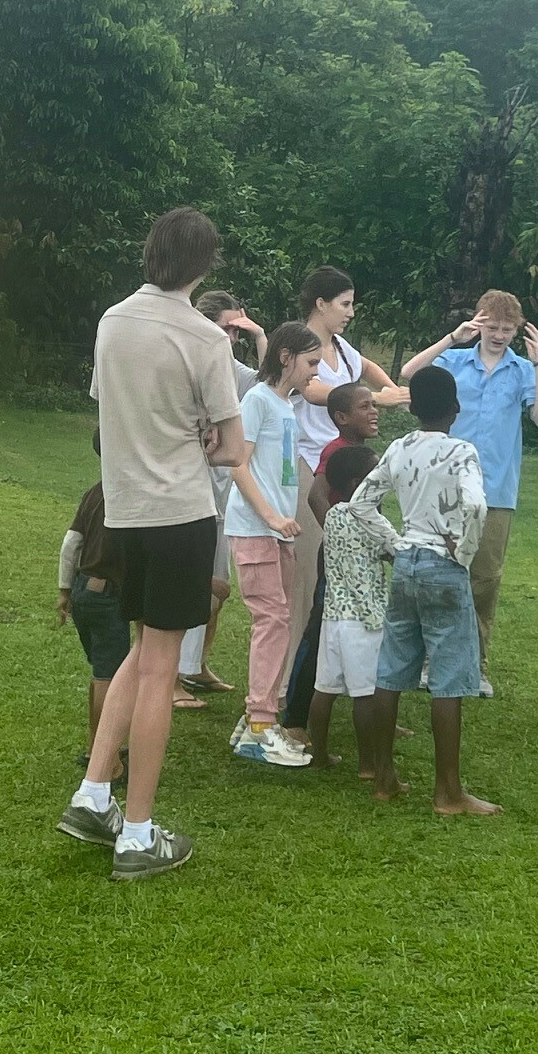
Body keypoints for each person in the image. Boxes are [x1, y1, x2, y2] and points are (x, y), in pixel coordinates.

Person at [56, 209, 247, 882]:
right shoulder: (204, 338)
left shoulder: (113, 321)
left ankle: (93, 794)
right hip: (180, 516)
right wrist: (200, 435)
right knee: (162, 668)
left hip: (126, 512)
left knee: (143, 651)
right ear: (204, 266)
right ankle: (137, 834)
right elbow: (231, 447)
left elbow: (108, 415)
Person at [347, 365, 498, 816]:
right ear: (456, 407)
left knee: (392, 672)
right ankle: (448, 791)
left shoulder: (399, 447)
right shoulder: (461, 451)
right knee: (448, 679)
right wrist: (463, 553)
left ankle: (384, 776)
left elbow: (360, 503)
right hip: (443, 565)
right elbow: (474, 503)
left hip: (407, 562)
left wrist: (396, 542)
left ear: (412, 407)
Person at [399, 291, 538, 695]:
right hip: (444, 486)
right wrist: (453, 337)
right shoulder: (454, 360)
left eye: (507, 329)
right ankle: (431, 660)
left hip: (496, 490)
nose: (499, 335)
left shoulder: (521, 370)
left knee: (484, 580)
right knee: (437, 572)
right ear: (479, 323)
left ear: (517, 331)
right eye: (492, 326)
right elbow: (409, 374)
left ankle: (476, 665)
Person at [287, 267, 409, 725]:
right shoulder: (302, 345)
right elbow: (314, 390)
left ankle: (352, 692)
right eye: (345, 304)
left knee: (353, 586)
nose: (350, 313)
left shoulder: (342, 348)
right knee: (312, 585)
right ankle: (290, 691)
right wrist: (378, 399)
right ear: (320, 303)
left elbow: (370, 373)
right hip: (312, 474)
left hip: (350, 473)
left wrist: (391, 389)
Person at [226, 321, 323, 767]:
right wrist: (270, 517)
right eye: (310, 363)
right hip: (255, 530)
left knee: (279, 621)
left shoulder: (285, 405)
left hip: (276, 531)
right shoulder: (258, 400)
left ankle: (257, 722)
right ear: (286, 357)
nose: (314, 373)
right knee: (273, 619)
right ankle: (261, 725)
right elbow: (237, 464)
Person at [279, 381, 382, 734]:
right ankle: (294, 719)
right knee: (318, 630)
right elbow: (316, 496)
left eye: (374, 405)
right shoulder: (335, 451)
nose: (374, 411)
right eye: (365, 406)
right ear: (341, 417)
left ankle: (372, 710)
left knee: (366, 631)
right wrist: (341, 537)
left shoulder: (361, 451)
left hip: (364, 560)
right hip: (340, 560)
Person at [181, 291, 266, 699]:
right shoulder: (191, 360)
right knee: (200, 585)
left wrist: (260, 334)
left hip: (221, 494)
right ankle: (176, 672)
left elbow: (268, 381)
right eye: (227, 328)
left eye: (237, 330)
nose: (233, 336)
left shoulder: (228, 364)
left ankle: (194, 665)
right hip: (191, 489)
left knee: (217, 588)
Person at [304, 445, 393, 775]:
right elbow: (396, 552)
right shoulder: (372, 519)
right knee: (364, 694)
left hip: (333, 618)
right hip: (365, 620)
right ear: (359, 482)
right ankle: (368, 764)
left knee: (324, 689)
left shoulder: (333, 515)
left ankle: (320, 754)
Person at [57, 439, 127, 773]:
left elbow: (71, 545)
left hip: (84, 591)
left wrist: (64, 590)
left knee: (101, 672)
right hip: (107, 594)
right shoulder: (128, 495)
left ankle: (93, 746)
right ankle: (106, 759)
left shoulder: (94, 492)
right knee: (110, 678)